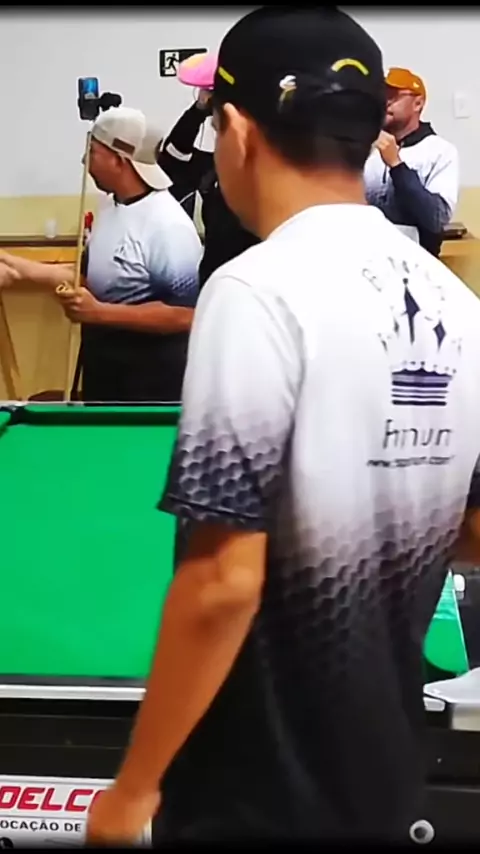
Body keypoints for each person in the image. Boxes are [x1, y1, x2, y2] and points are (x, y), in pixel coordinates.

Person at [87, 6, 480, 845]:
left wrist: (134, 786)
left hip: (257, 785)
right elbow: (473, 531)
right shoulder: (454, 300)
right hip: (385, 770)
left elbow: (224, 580)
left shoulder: (255, 289)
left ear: (234, 129)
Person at [0, 107, 202, 403]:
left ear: (119, 160)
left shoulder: (168, 225)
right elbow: (90, 278)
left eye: (93, 151)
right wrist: (14, 267)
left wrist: (98, 313)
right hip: (105, 372)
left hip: (150, 386)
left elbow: (185, 315)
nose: (85, 160)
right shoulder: (110, 207)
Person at [158, 53, 259, 288]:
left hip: (248, 286)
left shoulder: (264, 172)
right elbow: (173, 156)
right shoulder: (213, 170)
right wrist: (197, 111)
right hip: (214, 283)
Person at [364, 67, 459, 256]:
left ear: (418, 103)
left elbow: (436, 218)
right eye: (382, 95)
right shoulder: (368, 150)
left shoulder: (441, 152)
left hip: (416, 264)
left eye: (393, 96)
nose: (385, 102)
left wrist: (397, 166)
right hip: (369, 261)